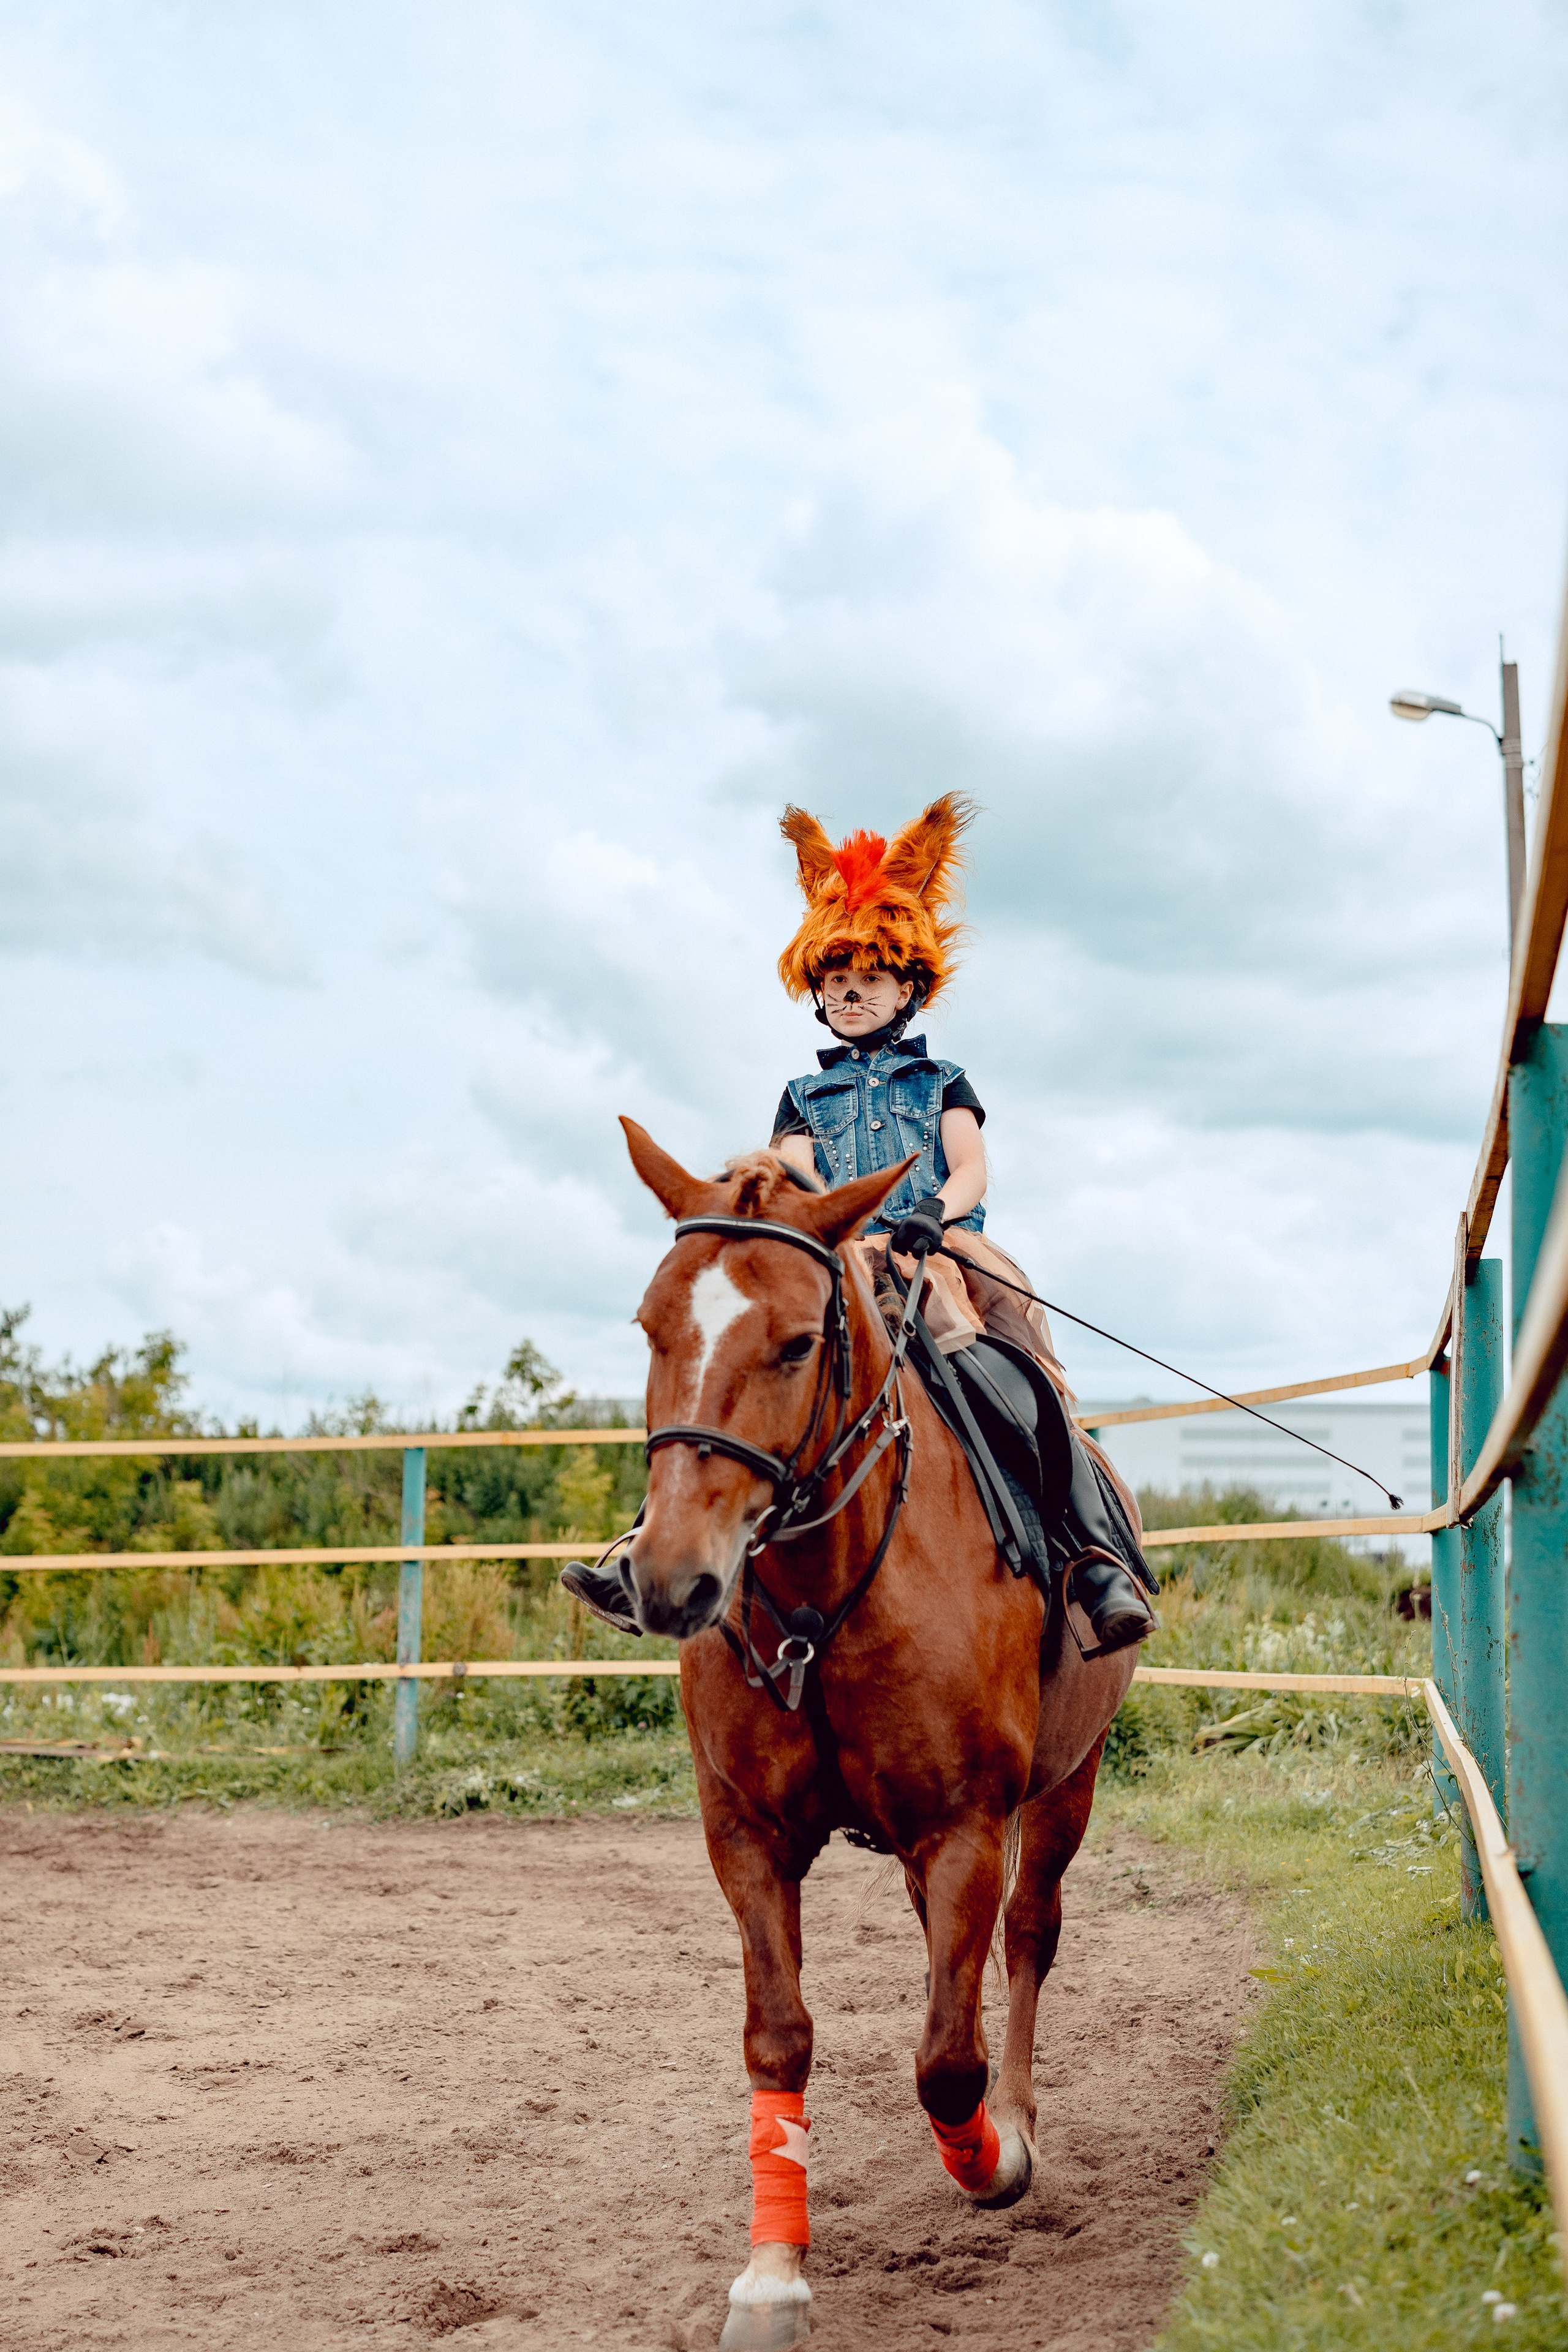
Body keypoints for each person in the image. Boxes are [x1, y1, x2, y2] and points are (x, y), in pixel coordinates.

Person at [564, 793, 1155, 1654]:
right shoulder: (804, 1094)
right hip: (833, 1256)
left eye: (869, 981)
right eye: (837, 983)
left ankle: (1096, 1557)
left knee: (1020, 1372)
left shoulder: (942, 1080)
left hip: (938, 1251)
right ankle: (646, 1543)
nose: (850, 995)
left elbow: (972, 1168)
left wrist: (932, 1214)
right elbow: (788, 1174)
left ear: (908, 987)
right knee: (732, 1370)